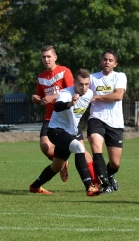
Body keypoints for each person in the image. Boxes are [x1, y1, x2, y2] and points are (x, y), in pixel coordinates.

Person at [29, 69, 100, 196]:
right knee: (79, 148)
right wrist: (70, 103)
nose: (83, 87)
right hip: (55, 131)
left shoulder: (89, 93)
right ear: (74, 83)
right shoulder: (66, 93)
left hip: (69, 133)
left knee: (56, 167)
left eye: (86, 84)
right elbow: (57, 106)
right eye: (80, 84)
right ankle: (89, 187)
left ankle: (35, 186)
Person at [87, 49, 127, 194]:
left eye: (110, 60)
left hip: (115, 122)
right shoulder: (92, 78)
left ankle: (110, 175)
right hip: (96, 118)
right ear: (101, 61)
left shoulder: (120, 76)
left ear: (115, 64)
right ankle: (105, 184)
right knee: (97, 149)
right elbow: (80, 90)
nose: (107, 62)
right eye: (105, 59)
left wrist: (97, 97)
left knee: (115, 163)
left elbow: (119, 95)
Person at [31, 45, 73, 182]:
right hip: (50, 117)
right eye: (43, 57)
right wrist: (35, 99)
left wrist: (53, 96)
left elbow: (71, 92)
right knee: (45, 147)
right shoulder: (41, 76)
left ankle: (92, 181)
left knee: (79, 148)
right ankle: (63, 163)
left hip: (65, 117)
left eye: (49, 56)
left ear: (55, 57)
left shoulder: (64, 71)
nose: (46, 59)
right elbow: (40, 97)